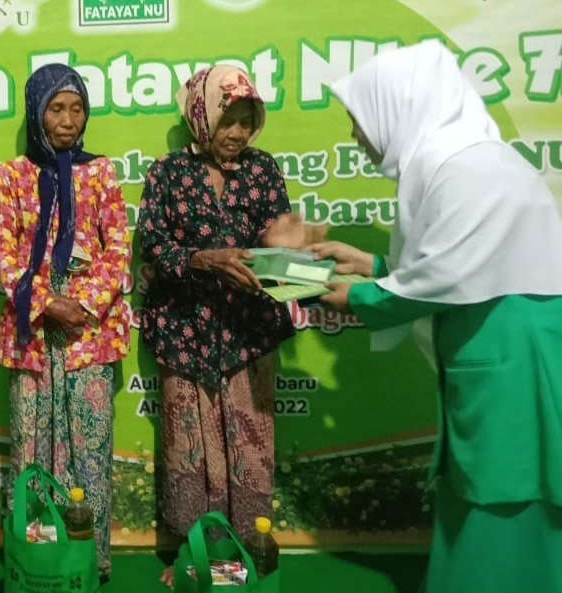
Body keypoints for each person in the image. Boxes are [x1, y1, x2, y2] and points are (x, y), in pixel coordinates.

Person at [313, 40, 562, 593]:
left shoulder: (462, 165)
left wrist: (359, 296)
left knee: (503, 492)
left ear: (398, 106)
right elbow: (465, 265)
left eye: (360, 119)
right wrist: (374, 265)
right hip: (506, 345)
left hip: (510, 359)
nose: (356, 136)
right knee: (493, 485)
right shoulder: (466, 156)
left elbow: (447, 276)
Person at [137, 65, 321, 585]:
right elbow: (153, 244)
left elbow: (278, 245)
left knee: (250, 445)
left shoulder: (263, 170)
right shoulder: (168, 172)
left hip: (248, 332)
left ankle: (245, 551)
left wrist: (291, 251)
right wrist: (205, 259)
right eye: (228, 120)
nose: (238, 133)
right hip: (185, 331)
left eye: (246, 121)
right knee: (190, 447)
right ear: (201, 116)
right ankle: (195, 553)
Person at [0, 63, 131, 576]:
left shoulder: (101, 172)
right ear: (36, 112)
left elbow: (117, 249)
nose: (68, 121)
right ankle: (37, 560)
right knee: (31, 447)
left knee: (90, 447)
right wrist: (47, 302)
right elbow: (6, 254)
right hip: (32, 330)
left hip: (89, 331)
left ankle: (90, 559)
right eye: (55, 109)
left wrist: (83, 304)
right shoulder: (12, 176)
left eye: (77, 109)